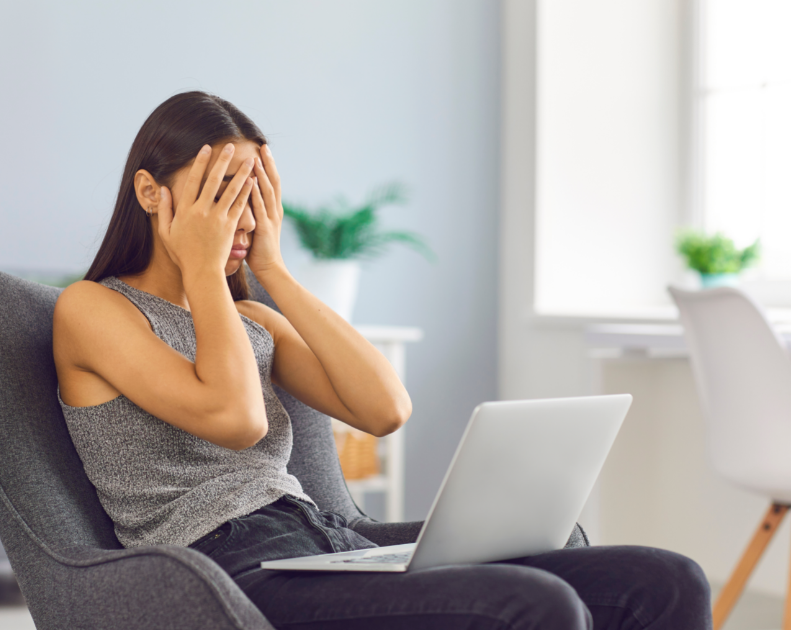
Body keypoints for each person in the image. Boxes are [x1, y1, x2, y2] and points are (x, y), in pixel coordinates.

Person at [52, 91, 711, 629]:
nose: (243, 217)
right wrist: (201, 265)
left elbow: (384, 409)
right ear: (149, 192)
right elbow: (235, 418)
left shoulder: (251, 319)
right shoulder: (92, 310)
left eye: (255, 195)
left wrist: (274, 270)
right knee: (533, 605)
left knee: (664, 578)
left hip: (319, 543)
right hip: (222, 572)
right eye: (223, 192)